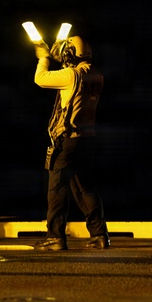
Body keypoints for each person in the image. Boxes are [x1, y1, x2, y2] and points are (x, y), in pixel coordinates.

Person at [30, 34, 110, 251]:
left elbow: (41, 78)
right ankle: (99, 235)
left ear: (71, 54)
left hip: (68, 140)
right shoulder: (96, 75)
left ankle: (55, 237)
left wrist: (44, 57)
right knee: (85, 188)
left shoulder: (71, 75)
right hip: (87, 140)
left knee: (56, 188)